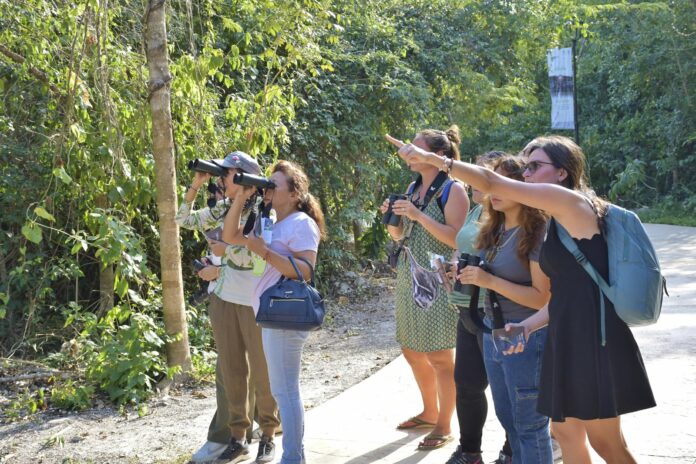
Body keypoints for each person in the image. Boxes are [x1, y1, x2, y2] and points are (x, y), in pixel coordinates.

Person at [391, 134, 656, 464]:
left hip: (593, 340)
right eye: (525, 167)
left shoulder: (571, 204)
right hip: (565, 336)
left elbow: (490, 180)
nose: (525, 174)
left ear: (562, 172)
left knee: (606, 444)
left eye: (534, 167)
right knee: (566, 437)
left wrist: (435, 161)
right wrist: (528, 326)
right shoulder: (555, 221)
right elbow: (567, 295)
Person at [177, 152, 280, 464]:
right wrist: (196, 184)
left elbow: (260, 259)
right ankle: (238, 438)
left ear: (246, 177)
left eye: (227, 173)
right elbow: (183, 220)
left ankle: (268, 435)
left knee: (263, 372)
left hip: (254, 302)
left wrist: (227, 252)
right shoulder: (226, 206)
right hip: (225, 300)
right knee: (232, 371)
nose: (221, 178)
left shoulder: (267, 211)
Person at [223, 160, 326, 464]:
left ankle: (293, 458)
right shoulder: (269, 220)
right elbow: (230, 237)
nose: (267, 189)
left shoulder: (302, 224)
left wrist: (265, 253)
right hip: (270, 316)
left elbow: (306, 271)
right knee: (284, 390)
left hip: (286, 316)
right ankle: (294, 456)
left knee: (285, 392)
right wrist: (242, 195)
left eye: (274, 185)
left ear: (295, 193)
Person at [456, 155, 552, 462]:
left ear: (522, 188)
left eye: (500, 182)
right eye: (489, 182)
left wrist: (488, 280)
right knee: (510, 422)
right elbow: (492, 279)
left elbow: (541, 298)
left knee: (529, 426)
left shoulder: (536, 232)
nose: (491, 189)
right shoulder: (493, 228)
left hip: (527, 335)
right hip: (494, 332)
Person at [381, 127, 469, 451]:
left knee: (440, 356)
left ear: (436, 156)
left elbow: (457, 238)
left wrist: (417, 214)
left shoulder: (453, 189)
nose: (407, 150)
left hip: (437, 279)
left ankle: (445, 424)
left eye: (415, 147)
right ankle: (429, 411)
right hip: (409, 275)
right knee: (411, 349)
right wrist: (393, 220)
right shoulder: (413, 186)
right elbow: (399, 236)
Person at [445, 151, 514, 464]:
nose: (470, 178)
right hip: (467, 307)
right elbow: (467, 247)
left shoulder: (507, 213)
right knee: (468, 384)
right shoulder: (476, 210)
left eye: (478, 172)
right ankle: (470, 452)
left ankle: (513, 452)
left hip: (494, 311)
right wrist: (455, 266)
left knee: (507, 389)